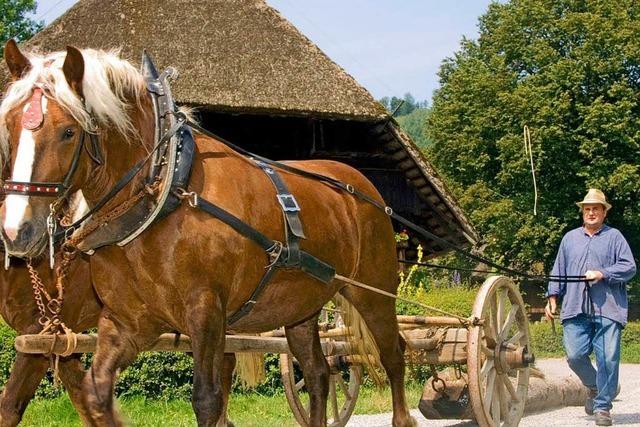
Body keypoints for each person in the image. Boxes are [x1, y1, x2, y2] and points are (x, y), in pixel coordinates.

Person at [545, 189, 636, 426]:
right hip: (575, 306)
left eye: (596, 208)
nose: (591, 212)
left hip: (608, 308)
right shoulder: (569, 238)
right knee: (575, 355)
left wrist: (603, 273)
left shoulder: (615, 237)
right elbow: (559, 269)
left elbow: (629, 267)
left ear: (604, 212)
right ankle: (597, 387)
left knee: (608, 358)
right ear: (582, 212)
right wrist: (553, 296)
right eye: (587, 209)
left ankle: (603, 407)